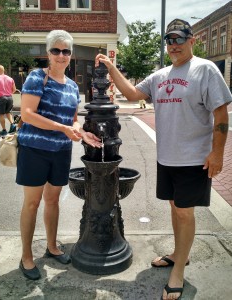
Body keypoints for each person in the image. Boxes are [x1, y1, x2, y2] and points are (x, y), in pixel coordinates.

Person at [96, 18, 232, 300]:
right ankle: (177, 254)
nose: (173, 45)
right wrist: (112, 68)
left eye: (179, 39)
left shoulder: (204, 70)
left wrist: (217, 153)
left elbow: (220, 115)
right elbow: (133, 94)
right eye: (169, 40)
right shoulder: (160, 76)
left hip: (194, 159)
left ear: (192, 41)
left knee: (184, 211)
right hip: (167, 157)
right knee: (174, 207)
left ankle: (178, 270)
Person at [17, 30, 101, 280]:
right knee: (32, 203)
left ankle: (52, 247)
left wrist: (80, 133)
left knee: (52, 201)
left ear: (71, 55)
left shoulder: (74, 86)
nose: (61, 55)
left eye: (66, 51)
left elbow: (73, 121)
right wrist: (62, 128)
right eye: (56, 50)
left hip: (61, 152)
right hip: (34, 149)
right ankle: (26, 257)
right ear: (48, 53)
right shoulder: (36, 78)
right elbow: (28, 114)